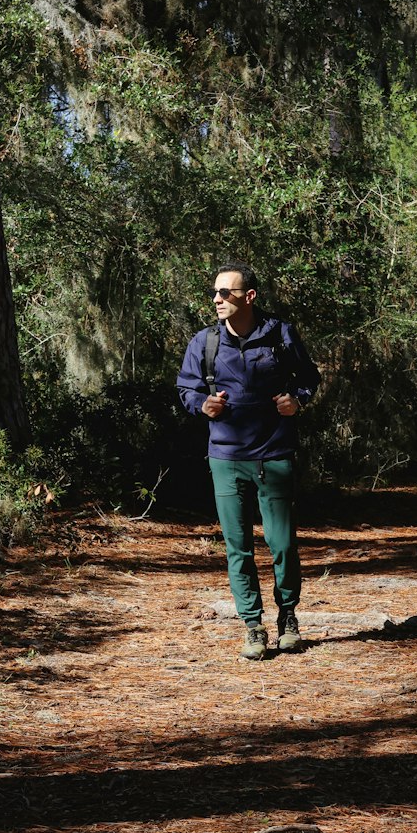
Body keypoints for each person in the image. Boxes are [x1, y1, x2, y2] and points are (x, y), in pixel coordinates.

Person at [177, 263, 321, 660]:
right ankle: (252, 625)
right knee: (237, 546)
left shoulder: (280, 334)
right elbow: (186, 387)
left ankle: (288, 616)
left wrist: (298, 401)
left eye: (227, 293)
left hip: (274, 454)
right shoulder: (204, 342)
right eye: (215, 293)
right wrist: (200, 405)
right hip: (225, 457)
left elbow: (309, 376)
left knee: (282, 544)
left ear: (249, 297)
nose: (218, 299)